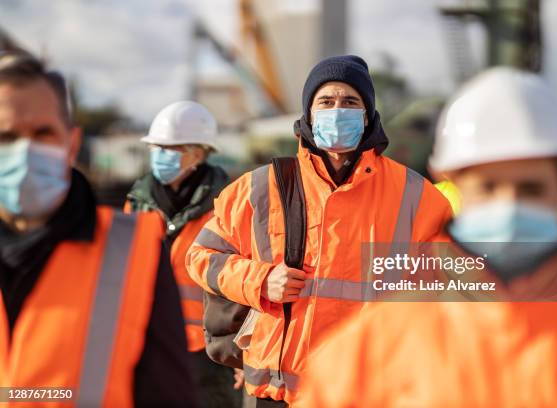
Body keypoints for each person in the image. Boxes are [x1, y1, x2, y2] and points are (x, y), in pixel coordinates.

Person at [297, 67, 557, 407]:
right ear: (452, 183)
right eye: (488, 186)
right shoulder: (374, 345)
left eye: (531, 188)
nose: (508, 205)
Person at [186, 55, 453, 406]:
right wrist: (260, 280)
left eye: (350, 102)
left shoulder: (418, 197)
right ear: (309, 113)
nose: (337, 110)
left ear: (368, 114)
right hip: (275, 394)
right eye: (326, 101)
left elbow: (452, 292)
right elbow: (201, 257)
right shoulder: (259, 188)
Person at [0, 52, 196, 407]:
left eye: (42, 133)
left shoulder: (132, 251)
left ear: (71, 145)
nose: (25, 151)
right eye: (6, 137)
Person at [124, 101, 240, 408]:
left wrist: (244, 351)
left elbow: (243, 279)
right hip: (151, 343)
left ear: (199, 153)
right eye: (157, 147)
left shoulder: (227, 206)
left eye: (170, 148)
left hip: (213, 354)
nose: (160, 155)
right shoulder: (136, 204)